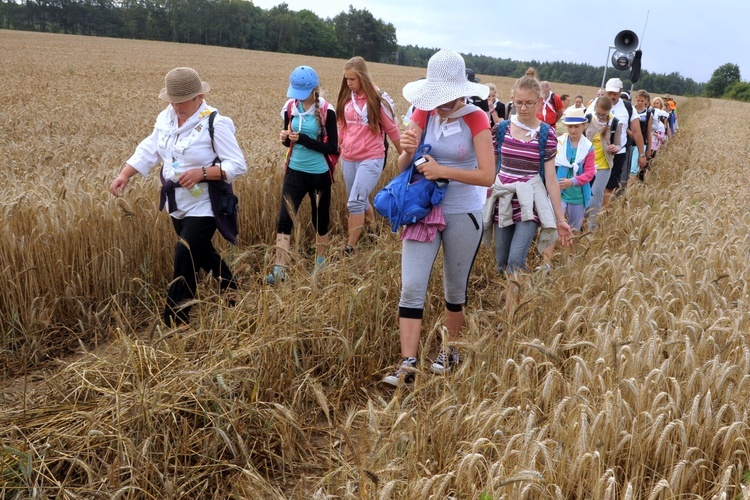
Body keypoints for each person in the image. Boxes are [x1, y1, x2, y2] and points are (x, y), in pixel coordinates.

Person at [382, 48, 495, 386]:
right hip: (424, 211)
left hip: (464, 211)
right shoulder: (422, 112)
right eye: (437, 98)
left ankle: (451, 349)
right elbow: (401, 167)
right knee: (412, 287)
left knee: (454, 289)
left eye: (446, 99)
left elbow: (488, 175)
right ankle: (407, 365)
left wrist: (443, 170)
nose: (441, 105)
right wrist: (407, 148)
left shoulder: (476, 117)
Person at [109, 67, 248, 327]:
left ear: (199, 97)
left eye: (182, 100)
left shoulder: (214, 123)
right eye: (172, 100)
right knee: (201, 251)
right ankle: (231, 287)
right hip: (178, 202)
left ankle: (175, 320)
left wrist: (203, 173)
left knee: (184, 255)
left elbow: (238, 165)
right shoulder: (167, 118)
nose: (176, 106)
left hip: (207, 203)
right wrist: (125, 175)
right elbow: (150, 149)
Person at [485, 75, 573, 313]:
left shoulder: (546, 134)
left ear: (539, 103)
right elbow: (491, 168)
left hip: (529, 204)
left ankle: (510, 314)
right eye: (519, 102)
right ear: (512, 99)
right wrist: (483, 194)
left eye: (529, 103)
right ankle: (514, 300)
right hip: (503, 199)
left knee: (516, 260)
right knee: (502, 262)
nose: (523, 108)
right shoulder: (501, 130)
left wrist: (560, 219)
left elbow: (551, 179)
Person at [268, 65, 338, 284]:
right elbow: (289, 142)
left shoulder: (328, 110)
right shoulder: (290, 107)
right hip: (295, 172)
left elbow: (334, 147)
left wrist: (304, 140)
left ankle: (320, 262)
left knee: (320, 219)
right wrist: (285, 138)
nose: (297, 98)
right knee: (284, 219)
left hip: (319, 174)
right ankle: (280, 269)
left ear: (313, 90)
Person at [335, 57, 402, 255]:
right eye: (346, 79)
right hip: (348, 157)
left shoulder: (377, 101)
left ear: (362, 78)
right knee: (360, 199)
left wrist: (406, 157)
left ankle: (350, 247)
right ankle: (373, 233)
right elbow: (341, 126)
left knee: (354, 201)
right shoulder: (347, 98)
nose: (348, 83)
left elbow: (392, 130)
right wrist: (335, 148)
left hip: (371, 157)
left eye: (352, 79)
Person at [541, 107, 594, 268]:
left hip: (578, 196)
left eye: (577, 126)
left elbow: (591, 172)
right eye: (570, 126)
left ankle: (569, 262)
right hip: (558, 193)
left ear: (584, 126)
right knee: (551, 227)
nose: (573, 129)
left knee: (573, 230)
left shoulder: (588, 147)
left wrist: (574, 181)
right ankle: (546, 263)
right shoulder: (559, 143)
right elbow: (549, 166)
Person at [602, 78, 646, 201]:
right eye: (609, 93)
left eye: (614, 94)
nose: (612, 96)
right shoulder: (596, 104)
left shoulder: (627, 108)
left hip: (618, 154)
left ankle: (603, 215)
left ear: (620, 91)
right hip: (597, 153)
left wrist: (641, 154)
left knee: (610, 186)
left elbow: (637, 132)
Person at [584, 95, 622, 232]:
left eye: (604, 115)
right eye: (598, 113)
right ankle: (580, 225)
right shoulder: (587, 119)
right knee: (583, 196)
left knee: (595, 197)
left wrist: (615, 148)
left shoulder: (615, 123)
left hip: (604, 166)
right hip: (585, 166)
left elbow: (618, 144)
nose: (600, 117)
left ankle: (592, 229)